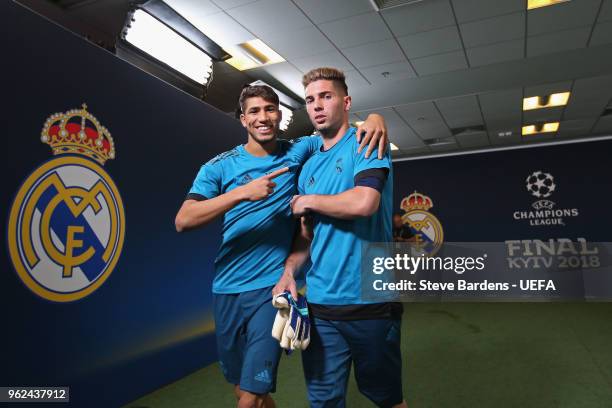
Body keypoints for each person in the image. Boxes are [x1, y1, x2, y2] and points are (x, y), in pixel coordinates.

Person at [175, 84, 390, 408]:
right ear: (243, 119)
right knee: (243, 388)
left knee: (250, 396)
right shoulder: (219, 166)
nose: (264, 117)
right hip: (226, 288)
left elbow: (338, 129)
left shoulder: (299, 150)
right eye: (255, 111)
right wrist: (241, 193)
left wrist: (374, 118)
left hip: (272, 289)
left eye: (270, 109)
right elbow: (184, 219)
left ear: (280, 115)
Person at [273, 68, 408, 408]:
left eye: (326, 96)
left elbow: (365, 202)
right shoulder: (309, 166)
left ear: (346, 102)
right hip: (320, 307)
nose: (317, 105)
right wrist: (289, 273)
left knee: (388, 399)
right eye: (310, 100)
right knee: (323, 401)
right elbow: (306, 236)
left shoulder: (367, 142)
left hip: (370, 302)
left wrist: (307, 200)